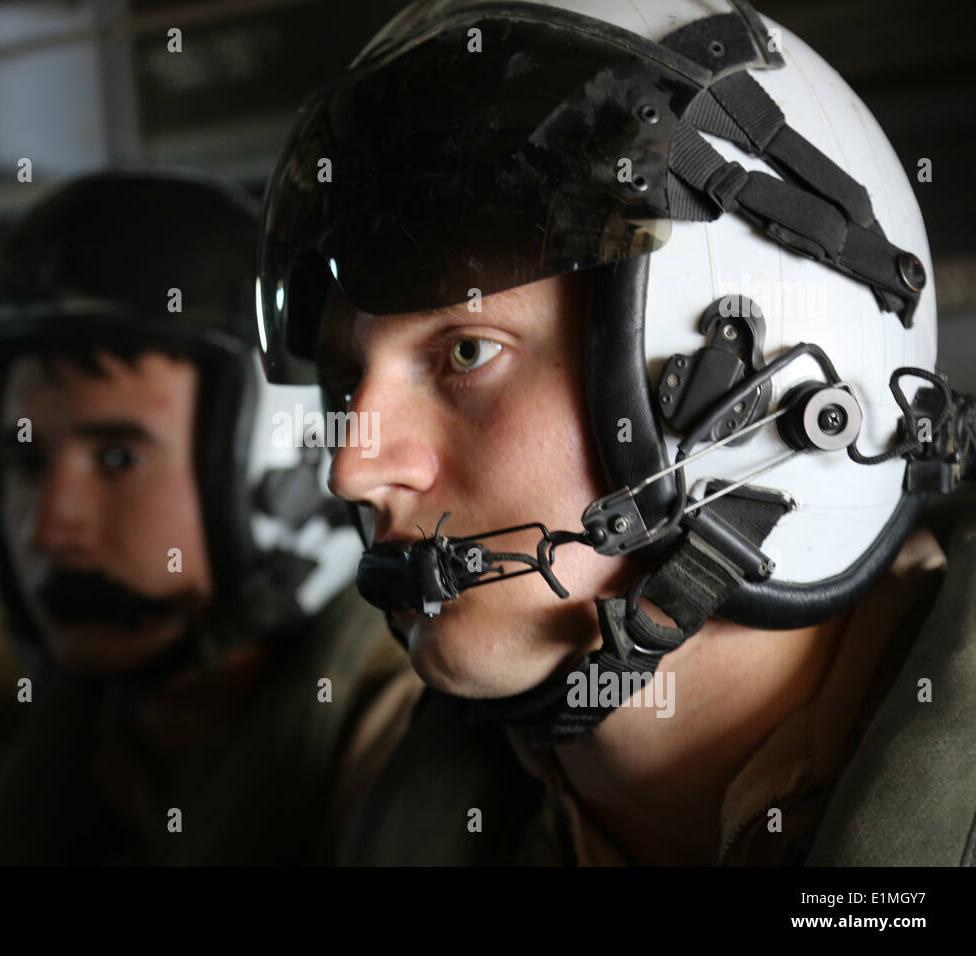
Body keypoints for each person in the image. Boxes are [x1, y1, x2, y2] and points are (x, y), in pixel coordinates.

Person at [255, 0, 976, 865]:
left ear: (748, 381)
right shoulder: (376, 816)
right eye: (346, 383)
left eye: (467, 351)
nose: (353, 468)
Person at [0, 169, 421, 865]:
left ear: (284, 468)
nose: (46, 531)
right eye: (25, 462)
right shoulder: (26, 763)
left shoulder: (403, 762)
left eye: (118, 460)